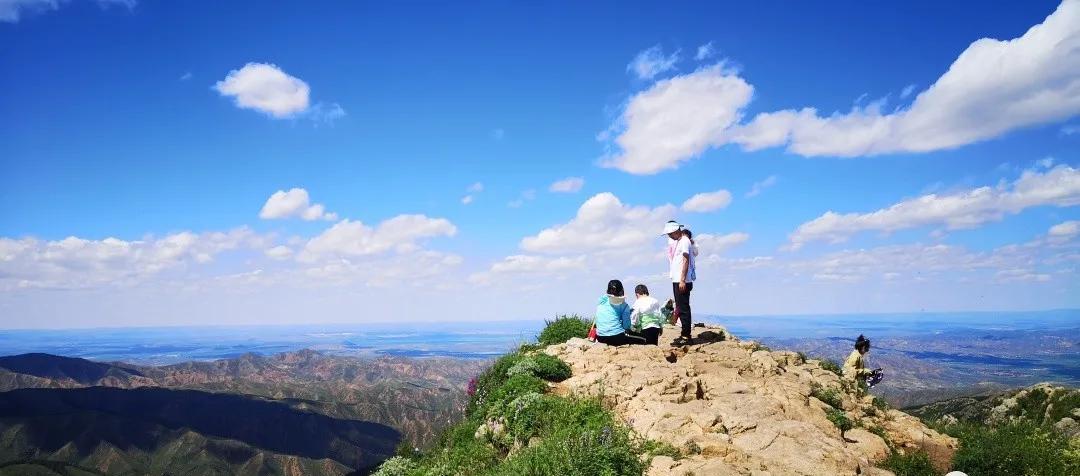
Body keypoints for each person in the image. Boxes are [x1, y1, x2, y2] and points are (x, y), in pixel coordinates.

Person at [664, 221, 696, 345]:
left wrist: (682, 279)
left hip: (682, 280)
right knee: (681, 306)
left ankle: (686, 336)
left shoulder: (684, 241)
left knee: (683, 308)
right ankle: (685, 334)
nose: (669, 236)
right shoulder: (679, 241)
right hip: (677, 279)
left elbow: (685, 259)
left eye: (670, 234)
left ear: (676, 231)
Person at [594, 280, 646, 346]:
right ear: (622, 290)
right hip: (616, 337)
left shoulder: (601, 301)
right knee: (644, 339)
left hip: (600, 337)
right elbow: (626, 326)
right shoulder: (624, 305)